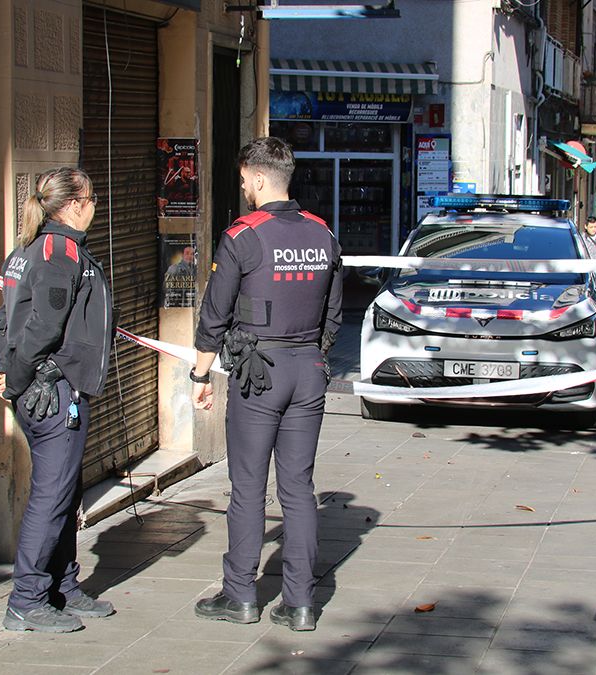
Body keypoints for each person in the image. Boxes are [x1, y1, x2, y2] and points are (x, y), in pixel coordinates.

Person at [190, 137, 342, 632]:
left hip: (259, 374)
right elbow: (334, 314)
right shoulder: (323, 234)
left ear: (258, 178)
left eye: (243, 181)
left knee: (249, 488)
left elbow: (214, 313)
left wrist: (200, 373)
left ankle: (240, 596)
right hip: (307, 370)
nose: (243, 189)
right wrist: (314, 357)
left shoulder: (243, 235)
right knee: (298, 488)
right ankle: (300, 604)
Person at [0, 167, 116, 633]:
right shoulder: (58, 252)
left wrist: (5, 369)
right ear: (75, 204)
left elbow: (3, 321)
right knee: (52, 495)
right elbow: (42, 326)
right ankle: (27, 599)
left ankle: (62, 585)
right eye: (92, 198)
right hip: (51, 392)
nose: (96, 206)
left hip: (48, 388)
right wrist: (17, 378)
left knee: (64, 491)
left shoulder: (30, 249)